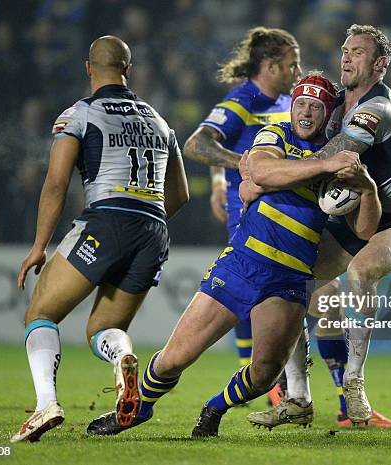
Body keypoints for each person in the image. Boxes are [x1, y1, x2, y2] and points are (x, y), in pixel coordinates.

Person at [86, 74, 368, 438]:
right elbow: (262, 169)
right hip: (243, 264)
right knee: (176, 357)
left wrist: (369, 188)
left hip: (292, 277)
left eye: (316, 106)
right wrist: (319, 168)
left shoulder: (339, 156)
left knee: (265, 374)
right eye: (301, 102)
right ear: (292, 104)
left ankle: (214, 408)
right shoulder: (277, 134)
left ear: (327, 112)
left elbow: (363, 229)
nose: (306, 111)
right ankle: (136, 409)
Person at [10, 35, 189, 443]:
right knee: (103, 329)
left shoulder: (79, 114)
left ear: (88, 68)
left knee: (39, 313)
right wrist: (144, 225)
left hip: (106, 220)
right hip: (154, 228)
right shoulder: (160, 121)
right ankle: (124, 358)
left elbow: (56, 184)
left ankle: (46, 405)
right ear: (129, 69)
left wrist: (39, 245)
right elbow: (180, 195)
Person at [245, 24, 391, 429]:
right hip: (349, 216)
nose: (346, 57)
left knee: (361, 271)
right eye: (345, 50)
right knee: (287, 279)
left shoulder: (378, 109)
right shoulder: (337, 104)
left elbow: (334, 155)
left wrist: (267, 175)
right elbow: (293, 137)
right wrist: (254, 161)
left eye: (357, 52)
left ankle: (354, 384)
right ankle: (298, 399)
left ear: (379, 65)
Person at [183, 27, 301, 382]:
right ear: (269, 65)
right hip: (249, 217)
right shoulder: (244, 99)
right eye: (292, 65)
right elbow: (197, 144)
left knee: (284, 300)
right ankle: (253, 378)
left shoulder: (288, 103)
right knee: (248, 297)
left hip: (287, 218)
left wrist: (219, 177)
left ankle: (276, 384)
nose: (298, 72)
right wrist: (241, 166)